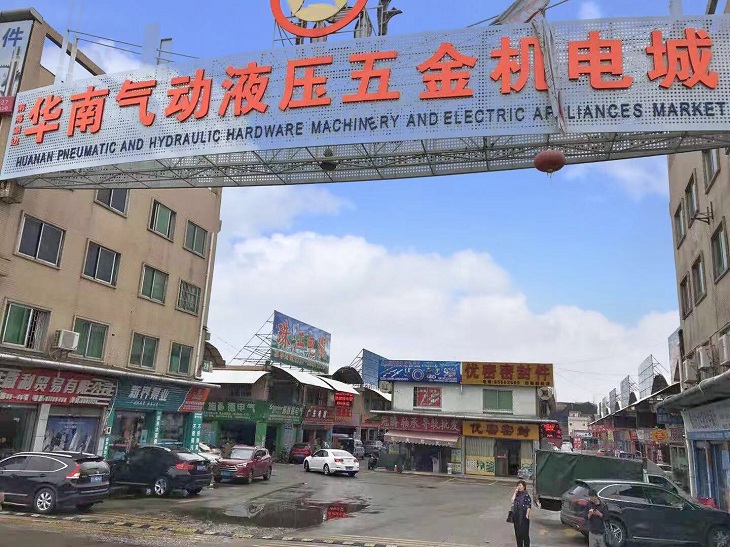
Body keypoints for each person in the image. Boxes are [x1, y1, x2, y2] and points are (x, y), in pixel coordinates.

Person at [511, 480, 532, 547]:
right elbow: (512, 501)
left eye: (520, 485)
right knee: (518, 533)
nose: (519, 487)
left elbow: (529, 506)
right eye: (518, 485)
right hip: (516, 516)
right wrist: (515, 492)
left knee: (525, 534)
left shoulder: (526, 495)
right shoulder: (517, 495)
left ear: (524, 487)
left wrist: (527, 515)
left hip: (523, 515)